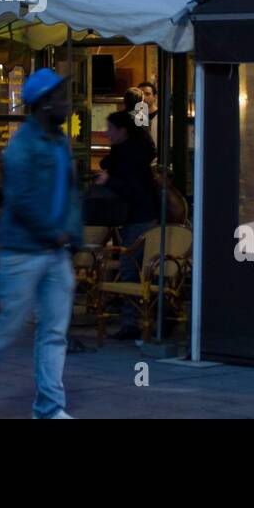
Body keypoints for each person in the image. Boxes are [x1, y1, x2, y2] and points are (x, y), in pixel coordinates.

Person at [0, 68, 82, 419]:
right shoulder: (21, 147)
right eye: (61, 98)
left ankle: (49, 408)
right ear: (43, 104)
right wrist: (53, 233)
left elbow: (70, 193)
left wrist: (72, 235)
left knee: (54, 332)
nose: (68, 104)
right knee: (6, 327)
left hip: (56, 252)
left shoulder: (60, 142)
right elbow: (21, 199)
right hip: (22, 252)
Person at [98, 110, 160, 340]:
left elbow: (133, 190)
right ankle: (143, 319)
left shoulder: (129, 157)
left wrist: (109, 180)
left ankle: (133, 322)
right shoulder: (132, 152)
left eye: (110, 129)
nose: (107, 133)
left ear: (122, 130)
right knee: (138, 268)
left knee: (129, 266)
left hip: (137, 217)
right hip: (143, 215)